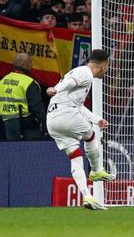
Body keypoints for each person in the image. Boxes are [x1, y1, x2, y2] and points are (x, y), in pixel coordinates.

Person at [45, 49, 115, 210]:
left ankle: (87, 197)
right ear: (103, 65)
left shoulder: (83, 75)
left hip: (53, 121)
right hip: (66, 114)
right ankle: (97, 170)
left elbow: (78, 106)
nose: (107, 69)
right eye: (107, 65)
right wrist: (56, 88)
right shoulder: (85, 72)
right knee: (90, 136)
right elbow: (70, 82)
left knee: (75, 157)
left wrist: (97, 119)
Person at [0, 53, 46, 140]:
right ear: (23, 65)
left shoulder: (3, 81)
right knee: (31, 151)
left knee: (12, 150)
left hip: (7, 123)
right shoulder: (28, 83)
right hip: (28, 126)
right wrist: (47, 125)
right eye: (30, 63)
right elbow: (38, 108)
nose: (32, 65)